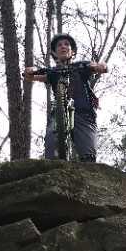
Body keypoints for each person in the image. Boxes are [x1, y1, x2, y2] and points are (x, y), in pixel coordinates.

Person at [23, 33, 108, 162]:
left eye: (66, 44)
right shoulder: (52, 73)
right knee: (51, 152)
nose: (63, 47)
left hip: (84, 113)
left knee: (88, 157)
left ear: (72, 51)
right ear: (55, 52)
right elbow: (33, 76)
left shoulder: (81, 66)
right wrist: (30, 71)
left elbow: (97, 67)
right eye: (59, 45)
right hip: (58, 114)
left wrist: (100, 66)